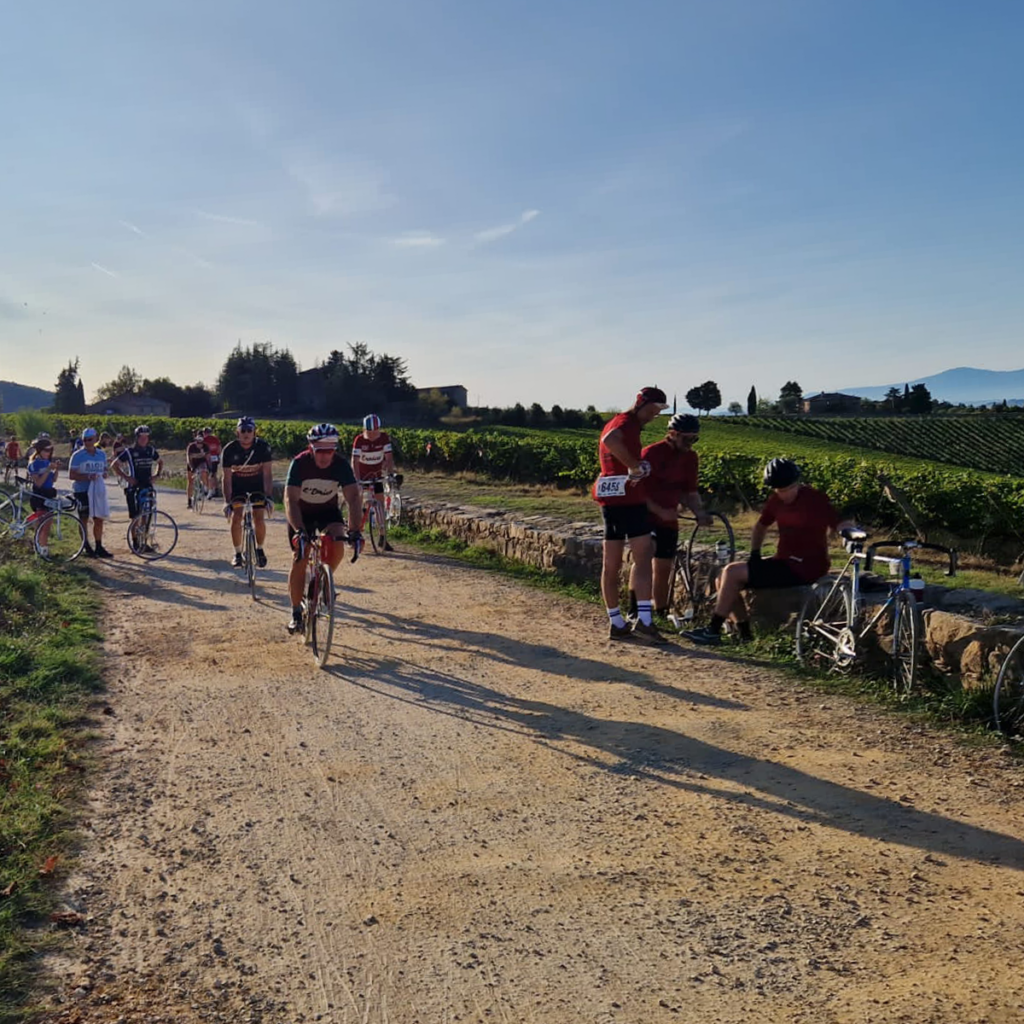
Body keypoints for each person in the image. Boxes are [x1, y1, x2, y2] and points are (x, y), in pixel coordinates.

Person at [682, 458, 856, 646]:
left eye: (787, 489)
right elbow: (760, 527)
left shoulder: (815, 499)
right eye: (778, 490)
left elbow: (838, 522)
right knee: (722, 580)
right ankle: (744, 634)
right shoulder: (776, 501)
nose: (783, 495)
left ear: (796, 483)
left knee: (731, 572)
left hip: (806, 566)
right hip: (784, 562)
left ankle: (713, 630)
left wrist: (850, 535)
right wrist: (755, 554)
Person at [594, 386, 670, 644]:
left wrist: (632, 465)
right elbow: (611, 441)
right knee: (643, 556)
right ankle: (645, 622)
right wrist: (635, 467)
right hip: (629, 498)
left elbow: (608, 442)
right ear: (641, 404)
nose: (654, 416)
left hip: (609, 498)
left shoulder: (615, 421)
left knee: (611, 562)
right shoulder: (626, 424)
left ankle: (616, 621)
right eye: (653, 410)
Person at [628, 413, 712, 619]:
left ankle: (660, 612)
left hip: (669, 518)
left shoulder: (690, 458)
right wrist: (659, 510)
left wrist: (699, 512)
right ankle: (635, 610)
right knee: (644, 557)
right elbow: (637, 490)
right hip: (644, 514)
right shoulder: (652, 454)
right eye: (687, 438)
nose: (690, 443)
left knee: (664, 566)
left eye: (695, 439)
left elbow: (690, 492)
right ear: (673, 434)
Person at [284, 424, 363, 635]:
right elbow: (290, 500)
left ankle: (325, 580)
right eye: (320, 451)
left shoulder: (340, 465)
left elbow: (354, 498)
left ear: (335, 450)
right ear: (311, 449)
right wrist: (299, 530)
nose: (325, 456)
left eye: (329, 451)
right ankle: (295, 613)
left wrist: (355, 530)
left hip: (327, 511)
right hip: (302, 513)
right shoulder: (299, 464)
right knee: (300, 556)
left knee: (338, 541)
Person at [221, 417, 274, 568]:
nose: (246, 433)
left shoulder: (263, 447)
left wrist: (269, 497)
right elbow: (226, 478)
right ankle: (237, 553)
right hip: (238, 486)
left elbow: (268, 474)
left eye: (249, 430)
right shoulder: (229, 450)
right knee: (237, 517)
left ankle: (260, 549)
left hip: (257, 485)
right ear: (237, 433)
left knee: (259, 518)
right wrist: (227, 501)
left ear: (254, 432)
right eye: (242, 430)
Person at [351, 413, 396, 551]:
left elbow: (388, 458)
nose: (373, 435)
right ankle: (353, 532)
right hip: (362, 475)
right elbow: (355, 461)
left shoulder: (384, 438)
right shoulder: (359, 440)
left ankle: (383, 537)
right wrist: (357, 480)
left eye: (375, 432)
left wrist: (389, 474)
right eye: (370, 432)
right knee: (356, 502)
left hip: (376, 475)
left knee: (380, 505)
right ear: (365, 430)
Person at [69, 427, 113, 558]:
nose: (87, 442)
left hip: (97, 490)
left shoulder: (101, 454)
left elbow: (104, 469)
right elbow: (72, 475)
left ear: (95, 439)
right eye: (84, 440)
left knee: (98, 518)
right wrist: (88, 477)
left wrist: (104, 473)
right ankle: (85, 545)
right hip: (82, 490)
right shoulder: (77, 455)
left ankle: (99, 546)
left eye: (90, 440)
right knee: (84, 518)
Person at [113, 425, 164, 519]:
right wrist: (127, 478)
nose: (144, 439)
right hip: (134, 485)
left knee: (147, 513)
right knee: (135, 518)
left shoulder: (151, 450)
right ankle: (134, 532)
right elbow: (114, 465)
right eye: (141, 437)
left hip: (147, 484)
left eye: (146, 437)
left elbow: (160, 462)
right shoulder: (130, 451)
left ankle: (145, 531)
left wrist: (157, 475)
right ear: (137, 438)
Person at [25, 438, 59, 555]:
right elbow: (38, 483)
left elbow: (53, 480)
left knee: (47, 523)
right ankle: (41, 548)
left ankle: (41, 546)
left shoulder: (47, 462)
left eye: (50, 450)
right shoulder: (34, 464)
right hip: (39, 495)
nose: (49, 453)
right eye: (46, 450)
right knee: (43, 524)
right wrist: (48, 469)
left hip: (48, 493)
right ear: (39, 451)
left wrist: (56, 469)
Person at [185, 430, 210, 510]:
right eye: (197, 442)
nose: (199, 444)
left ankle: (204, 487)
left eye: (201, 442)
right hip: (192, 463)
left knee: (204, 471)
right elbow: (188, 459)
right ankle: (189, 500)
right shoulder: (191, 447)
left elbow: (208, 458)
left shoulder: (206, 446)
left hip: (201, 462)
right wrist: (191, 467)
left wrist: (210, 467)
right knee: (190, 481)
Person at [203, 428, 223, 496]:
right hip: (215, 458)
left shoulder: (204, 439)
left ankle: (209, 490)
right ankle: (216, 489)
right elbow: (219, 448)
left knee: (209, 474)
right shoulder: (215, 439)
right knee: (214, 474)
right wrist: (219, 456)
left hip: (207, 458)